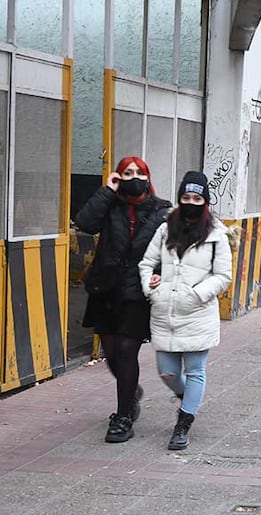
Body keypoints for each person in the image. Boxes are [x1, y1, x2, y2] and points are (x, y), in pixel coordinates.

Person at [75, 156, 171, 443]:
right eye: (126, 173)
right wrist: (107, 190)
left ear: (147, 176)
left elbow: (171, 249)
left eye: (138, 172)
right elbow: (84, 223)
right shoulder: (110, 205)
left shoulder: (162, 210)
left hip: (137, 292)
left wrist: (160, 276)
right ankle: (131, 391)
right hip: (106, 288)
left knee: (128, 351)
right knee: (112, 354)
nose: (133, 177)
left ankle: (123, 416)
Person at [138, 171, 233, 450]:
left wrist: (197, 295)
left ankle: (184, 423)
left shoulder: (217, 234)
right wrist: (151, 285)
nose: (191, 202)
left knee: (195, 371)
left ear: (205, 201)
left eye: (197, 198)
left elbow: (223, 275)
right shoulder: (166, 229)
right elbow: (146, 263)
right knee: (167, 372)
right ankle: (187, 397)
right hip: (165, 311)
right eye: (186, 197)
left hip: (197, 312)